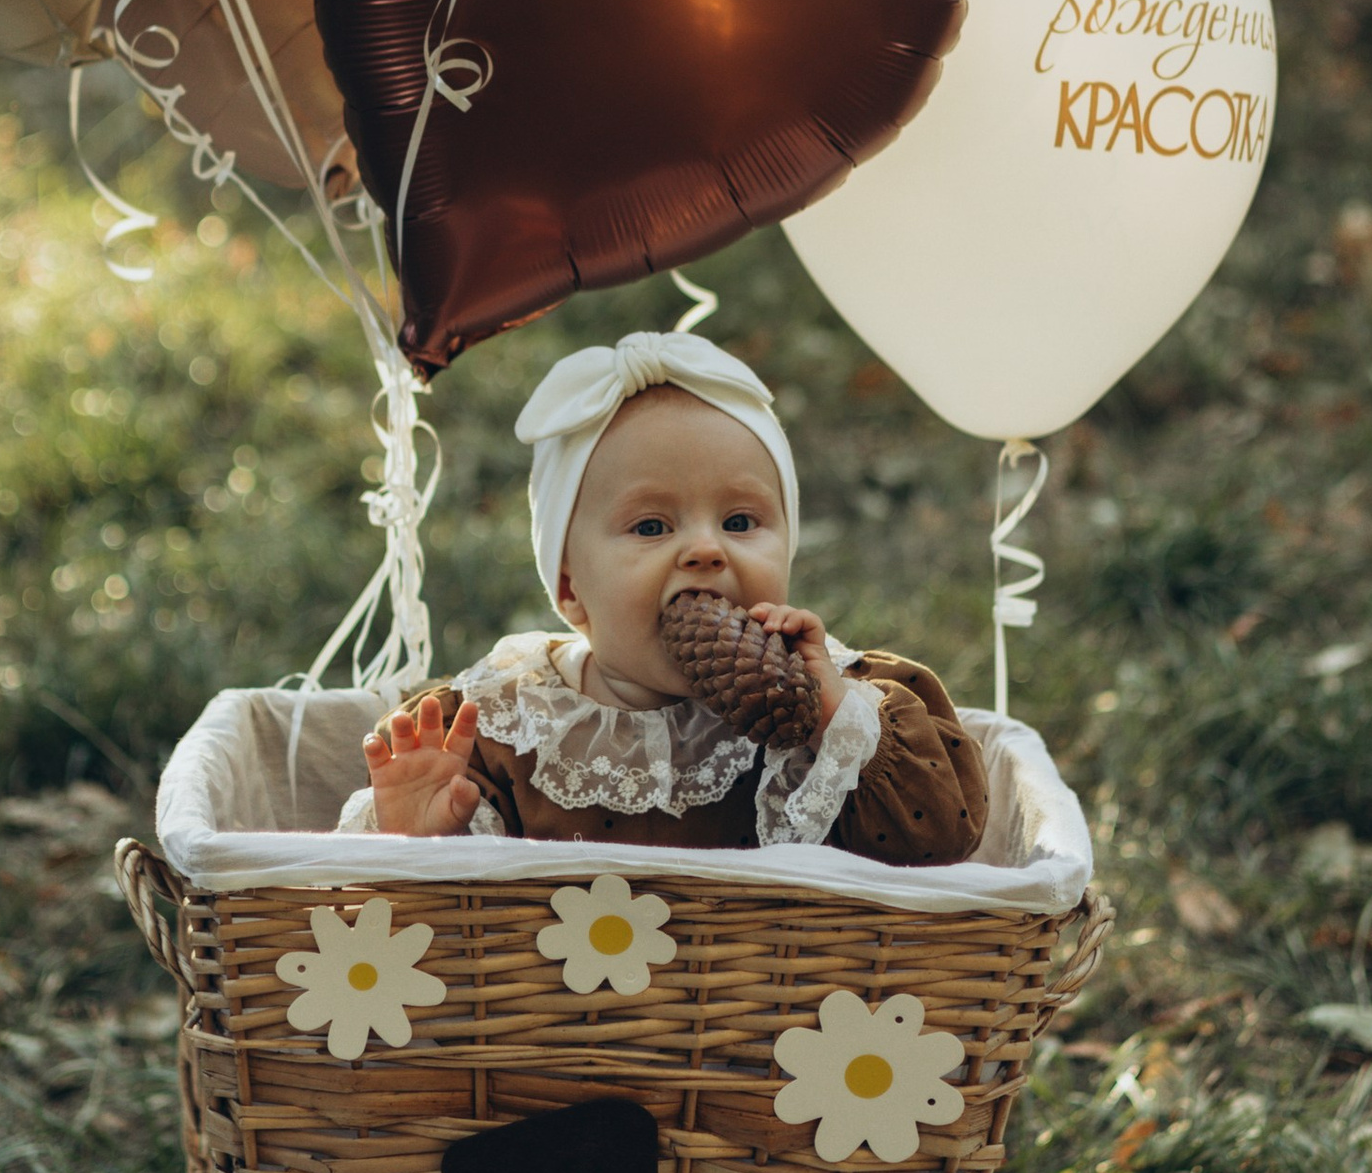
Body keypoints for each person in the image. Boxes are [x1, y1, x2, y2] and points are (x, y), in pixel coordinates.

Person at [340, 328, 988, 864]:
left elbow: (943, 842)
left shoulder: (848, 700)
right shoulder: (499, 727)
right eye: (651, 527)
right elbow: (448, 927)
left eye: (740, 521)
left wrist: (835, 722)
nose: (705, 549)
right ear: (570, 588)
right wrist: (418, 837)